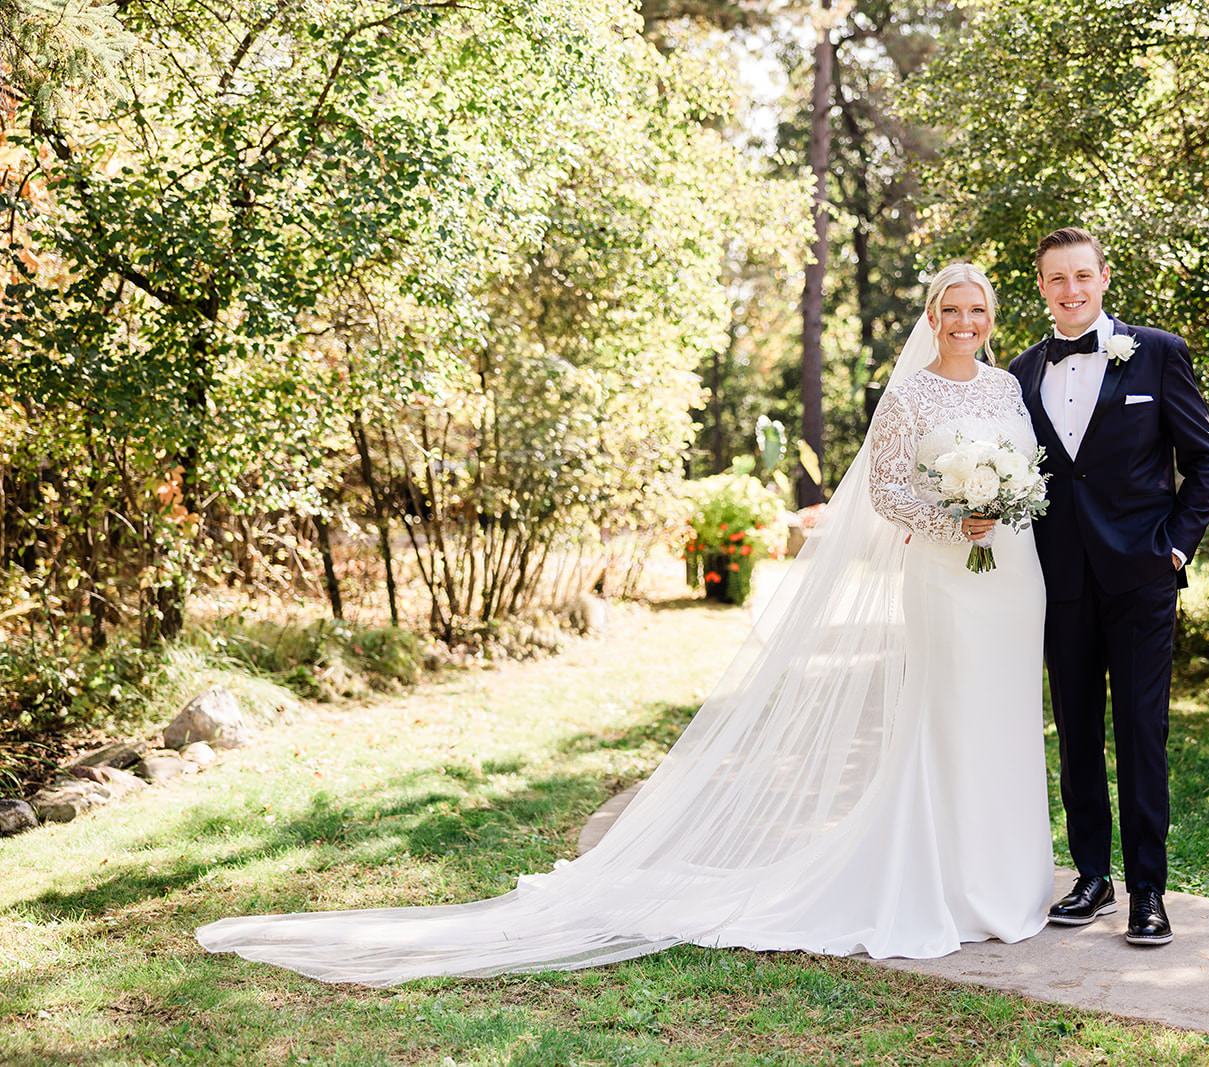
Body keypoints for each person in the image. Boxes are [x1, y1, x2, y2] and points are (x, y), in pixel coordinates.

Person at [195, 263, 1056, 985]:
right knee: (944, 722)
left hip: (1012, 576)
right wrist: (955, 519)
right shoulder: (907, 394)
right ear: (933, 316)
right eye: (953, 309)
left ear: (989, 319)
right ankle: (945, 880)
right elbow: (885, 491)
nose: (967, 322)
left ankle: (1005, 883)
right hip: (944, 577)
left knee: (1005, 722)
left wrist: (1002, 505)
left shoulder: (1009, 386)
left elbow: (1029, 472)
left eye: (978, 310)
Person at [1007, 227, 1209, 947]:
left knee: (1140, 733)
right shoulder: (1019, 372)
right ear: (1041, 287)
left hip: (1140, 579)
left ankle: (1149, 892)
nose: (1070, 291)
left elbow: (1206, 463)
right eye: (1055, 280)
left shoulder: (1158, 353)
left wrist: (1175, 549)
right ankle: (1092, 876)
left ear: (1103, 278)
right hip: (1059, 580)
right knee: (1075, 734)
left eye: (1081, 276)